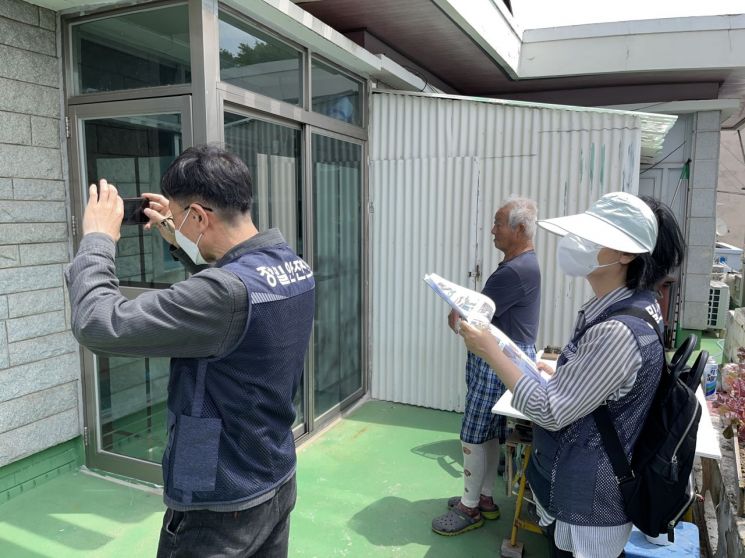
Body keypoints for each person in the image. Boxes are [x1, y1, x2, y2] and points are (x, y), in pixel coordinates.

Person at [65, 145, 315, 557]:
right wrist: (181, 240)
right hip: (274, 472)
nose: (177, 225)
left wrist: (96, 240)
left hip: (219, 493)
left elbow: (98, 323)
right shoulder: (290, 265)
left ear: (200, 216)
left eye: (182, 218)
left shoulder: (223, 294)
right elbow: (233, 304)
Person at [457, 192, 685, 558]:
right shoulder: (629, 307)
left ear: (626, 254)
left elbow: (549, 411)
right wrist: (565, 371)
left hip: (590, 506)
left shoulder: (618, 330)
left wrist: (489, 349)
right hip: (582, 493)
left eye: (592, 237)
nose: (576, 243)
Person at [431, 197, 541, 536]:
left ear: (520, 229)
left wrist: (456, 315)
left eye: (499, 223)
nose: (492, 230)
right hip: (506, 355)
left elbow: (465, 320)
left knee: (473, 433)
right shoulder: (524, 264)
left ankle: (469, 507)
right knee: (491, 431)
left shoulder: (514, 270)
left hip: (496, 360)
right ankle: (485, 498)